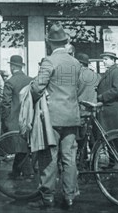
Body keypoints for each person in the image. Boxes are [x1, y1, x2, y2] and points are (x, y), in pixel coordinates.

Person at [30, 24, 82, 210]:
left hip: (52, 117)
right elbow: (78, 88)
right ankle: (69, 197)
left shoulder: (49, 61)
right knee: (69, 157)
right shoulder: (75, 63)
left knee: (49, 157)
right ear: (65, 42)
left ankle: (48, 197)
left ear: (50, 43)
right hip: (72, 116)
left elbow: (37, 88)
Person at [96, 51, 118, 132]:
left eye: (106, 59)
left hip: (113, 114)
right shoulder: (111, 71)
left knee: (114, 140)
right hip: (110, 113)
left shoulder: (116, 72)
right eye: (103, 59)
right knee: (111, 139)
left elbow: (117, 90)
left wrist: (102, 96)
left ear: (113, 60)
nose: (103, 61)